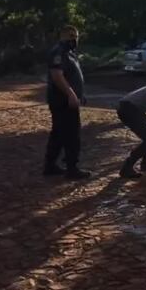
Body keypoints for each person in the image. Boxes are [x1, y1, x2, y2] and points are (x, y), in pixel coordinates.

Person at [44, 25, 91, 180]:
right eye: (70, 35)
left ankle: (50, 166)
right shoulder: (58, 52)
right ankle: (72, 168)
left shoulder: (70, 53)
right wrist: (71, 94)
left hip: (69, 99)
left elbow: (73, 75)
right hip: (62, 100)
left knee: (58, 134)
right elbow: (57, 75)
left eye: (76, 36)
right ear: (62, 36)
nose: (74, 39)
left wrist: (80, 94)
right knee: (71, 134)